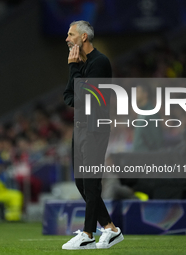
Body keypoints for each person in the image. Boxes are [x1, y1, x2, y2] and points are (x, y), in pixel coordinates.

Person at [62, 20, 123, 250]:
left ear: (84, 37)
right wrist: (74, 69)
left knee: (91, 182)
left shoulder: (100, 62)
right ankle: (110, 228)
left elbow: (82, 98)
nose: (67, 39)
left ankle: (87, 233)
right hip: (80, 128)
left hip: (95, 128)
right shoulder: (78, 63)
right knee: (81, 182)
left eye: (70, 35)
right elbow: (70, 96)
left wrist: (73, 68)